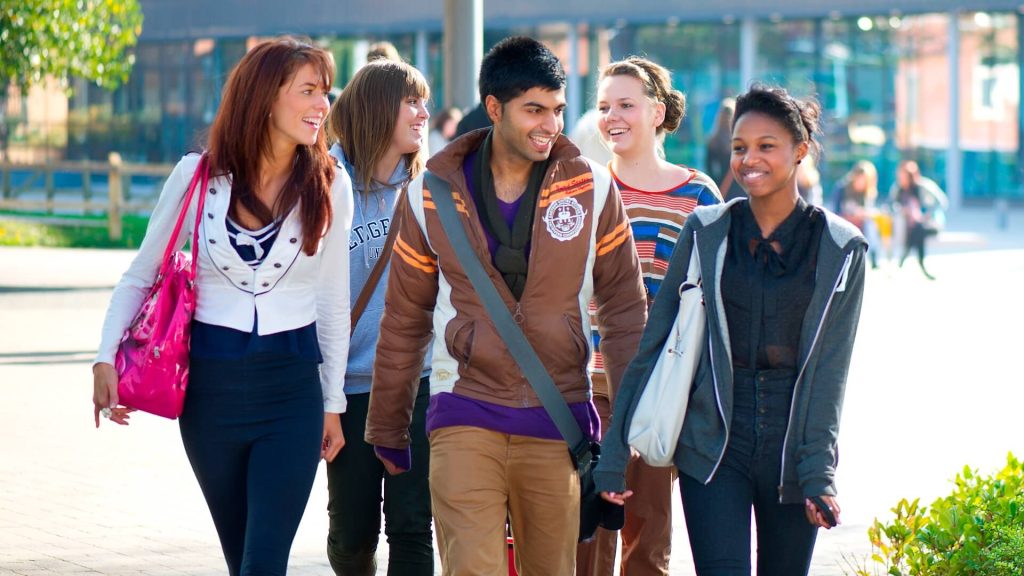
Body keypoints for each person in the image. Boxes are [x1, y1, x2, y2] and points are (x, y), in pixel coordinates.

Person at [365, 36, 648, 575]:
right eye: (534, 110)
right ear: (494, 108)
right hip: (464, 408)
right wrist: (387, 426)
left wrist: (623, 430)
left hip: (558, 416)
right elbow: (405, 318)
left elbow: (624, 314)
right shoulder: (430, 193)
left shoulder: (593, 188)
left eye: (558, 110)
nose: (550, 124)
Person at [92, 37, 353, 575]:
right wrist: (103, 357)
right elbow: (141, 275)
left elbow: (331, 300)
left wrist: (333, 403)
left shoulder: (332, 184)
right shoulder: (197, 176)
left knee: (263, 563)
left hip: (293, 393)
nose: (321, 106)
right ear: (264, 98)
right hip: (210, 397)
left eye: (324, 93)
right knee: (242, 561)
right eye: (307, 91)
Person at [595, 84, 867, 576]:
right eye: (741, 148)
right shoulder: (707, 231)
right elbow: (655, 341)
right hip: (712, 446)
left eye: (767, 146)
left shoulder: (840, 247)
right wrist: (615, 448)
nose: (750, 159)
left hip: (791, 450)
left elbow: (831, 371)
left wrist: (818, 472)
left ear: (799, 151)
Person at [576, 56, 720, 576]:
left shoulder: (700, 197)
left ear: (657, 112)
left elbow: (709, 305)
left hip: (661, 393)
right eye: (604, 107)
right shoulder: (582, 187)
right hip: (587, 385)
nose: (612, 116)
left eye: (626, 105)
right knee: (584, 541)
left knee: (648, 542)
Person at [324, 60, 434, 576]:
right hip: (346, 388)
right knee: (351, 532)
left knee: (413, 525)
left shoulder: (429, 189)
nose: (424, 113)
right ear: (376, 108)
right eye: (411, 101)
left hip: (417, 385)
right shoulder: (324, 183)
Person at [888, 159, 947, 280]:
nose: (901, 179)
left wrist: (928, 214)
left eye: (903, 176)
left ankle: (903, 260)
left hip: (931, 223)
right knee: (917, 230)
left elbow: (942, 202)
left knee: (918, 229)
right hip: (912, 226)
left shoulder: (923, 186)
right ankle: (920, 264)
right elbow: (891, 206)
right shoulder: (898, 189)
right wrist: (902, 211)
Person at [834, 160, 882, 269]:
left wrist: (863, 213)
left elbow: (868, 211)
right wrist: (851, 215)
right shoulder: (842, 189)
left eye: (864, 181)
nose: (861, 183)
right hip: (844, 222)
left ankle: (874, 256)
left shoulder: (867, 192)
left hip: (860, 223)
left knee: (871, 224)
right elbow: (836, 213)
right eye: (859, 179)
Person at [706, 97, 743, 200]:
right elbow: (709, 166)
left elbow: (709, 167)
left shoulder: (714, 139)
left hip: (728, 184)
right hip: (731, 184)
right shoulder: (738, 138)